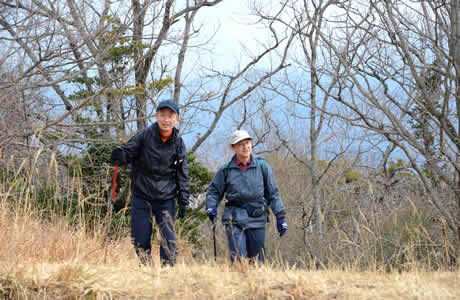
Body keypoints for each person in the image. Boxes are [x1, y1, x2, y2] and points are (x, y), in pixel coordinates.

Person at [110, 100, 190, 267]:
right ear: (156, 116)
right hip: (142, 195)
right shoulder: (144, 135)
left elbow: (183, 173)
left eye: (170, 116)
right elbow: (128, 151)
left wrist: (183, 199)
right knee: (140, 238)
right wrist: (119, 155)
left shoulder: (178, 143)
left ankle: (167, 274)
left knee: (169, 239)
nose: (166, 120)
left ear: (177, 119)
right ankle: (147, 270)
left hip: (166, 197)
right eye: (162, 115)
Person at [205, 129, 288, 264]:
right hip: (234, 217)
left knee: (257, 261)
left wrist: (281, 217)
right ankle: (238, 282)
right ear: (233, 148)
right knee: (238, 258)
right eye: (240, 144)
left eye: (248, 143)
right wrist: (211, 206)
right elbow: (214, 191)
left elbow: (273, 194)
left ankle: (256, 285)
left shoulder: (263, 167)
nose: (245, 147)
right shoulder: (225, 170)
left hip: (257, 216)